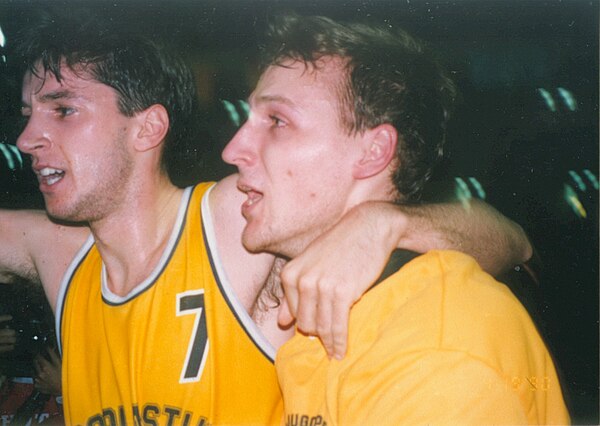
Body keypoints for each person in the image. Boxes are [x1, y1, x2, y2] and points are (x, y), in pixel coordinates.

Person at [0, 11, 531, 425]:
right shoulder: (58, 253)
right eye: (27, 115)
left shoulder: (233, 221)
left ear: (146, 128)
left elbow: (510, 239)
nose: (26, 139)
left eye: (63, 110)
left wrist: (385, 222)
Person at [222, 13, 570, 424]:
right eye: (248, 119)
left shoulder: (434, 350)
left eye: (277, 121)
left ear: (373, 152)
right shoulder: (345, 313)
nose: (232, 149)